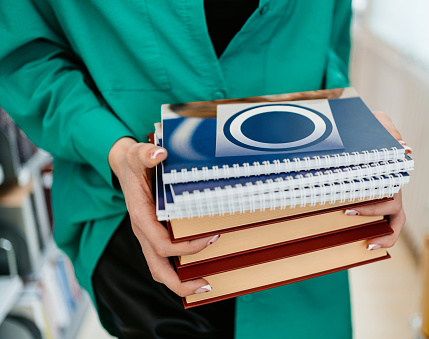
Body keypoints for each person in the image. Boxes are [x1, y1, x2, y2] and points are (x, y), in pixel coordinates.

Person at [0, 1, 406, 338]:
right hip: (136, 218)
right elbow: (24, 54)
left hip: (303, 219)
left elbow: (328, 44)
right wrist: (114, 149)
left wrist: (361, 148)